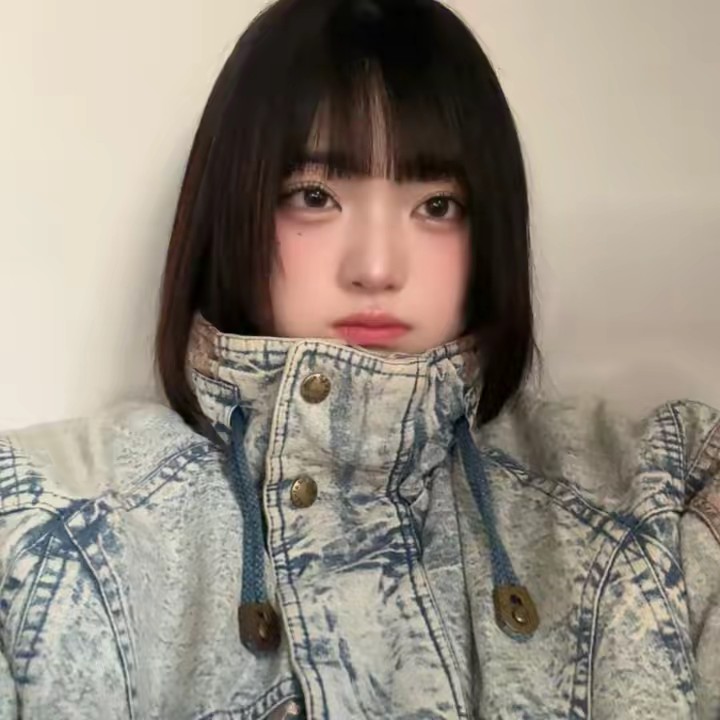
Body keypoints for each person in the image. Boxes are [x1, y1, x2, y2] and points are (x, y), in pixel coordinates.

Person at [1, 0, 718, 717]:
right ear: (235, 208)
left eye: (437, 206)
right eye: (314, 197)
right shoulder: (43, 535)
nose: (376, 268)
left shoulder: (656, 501)